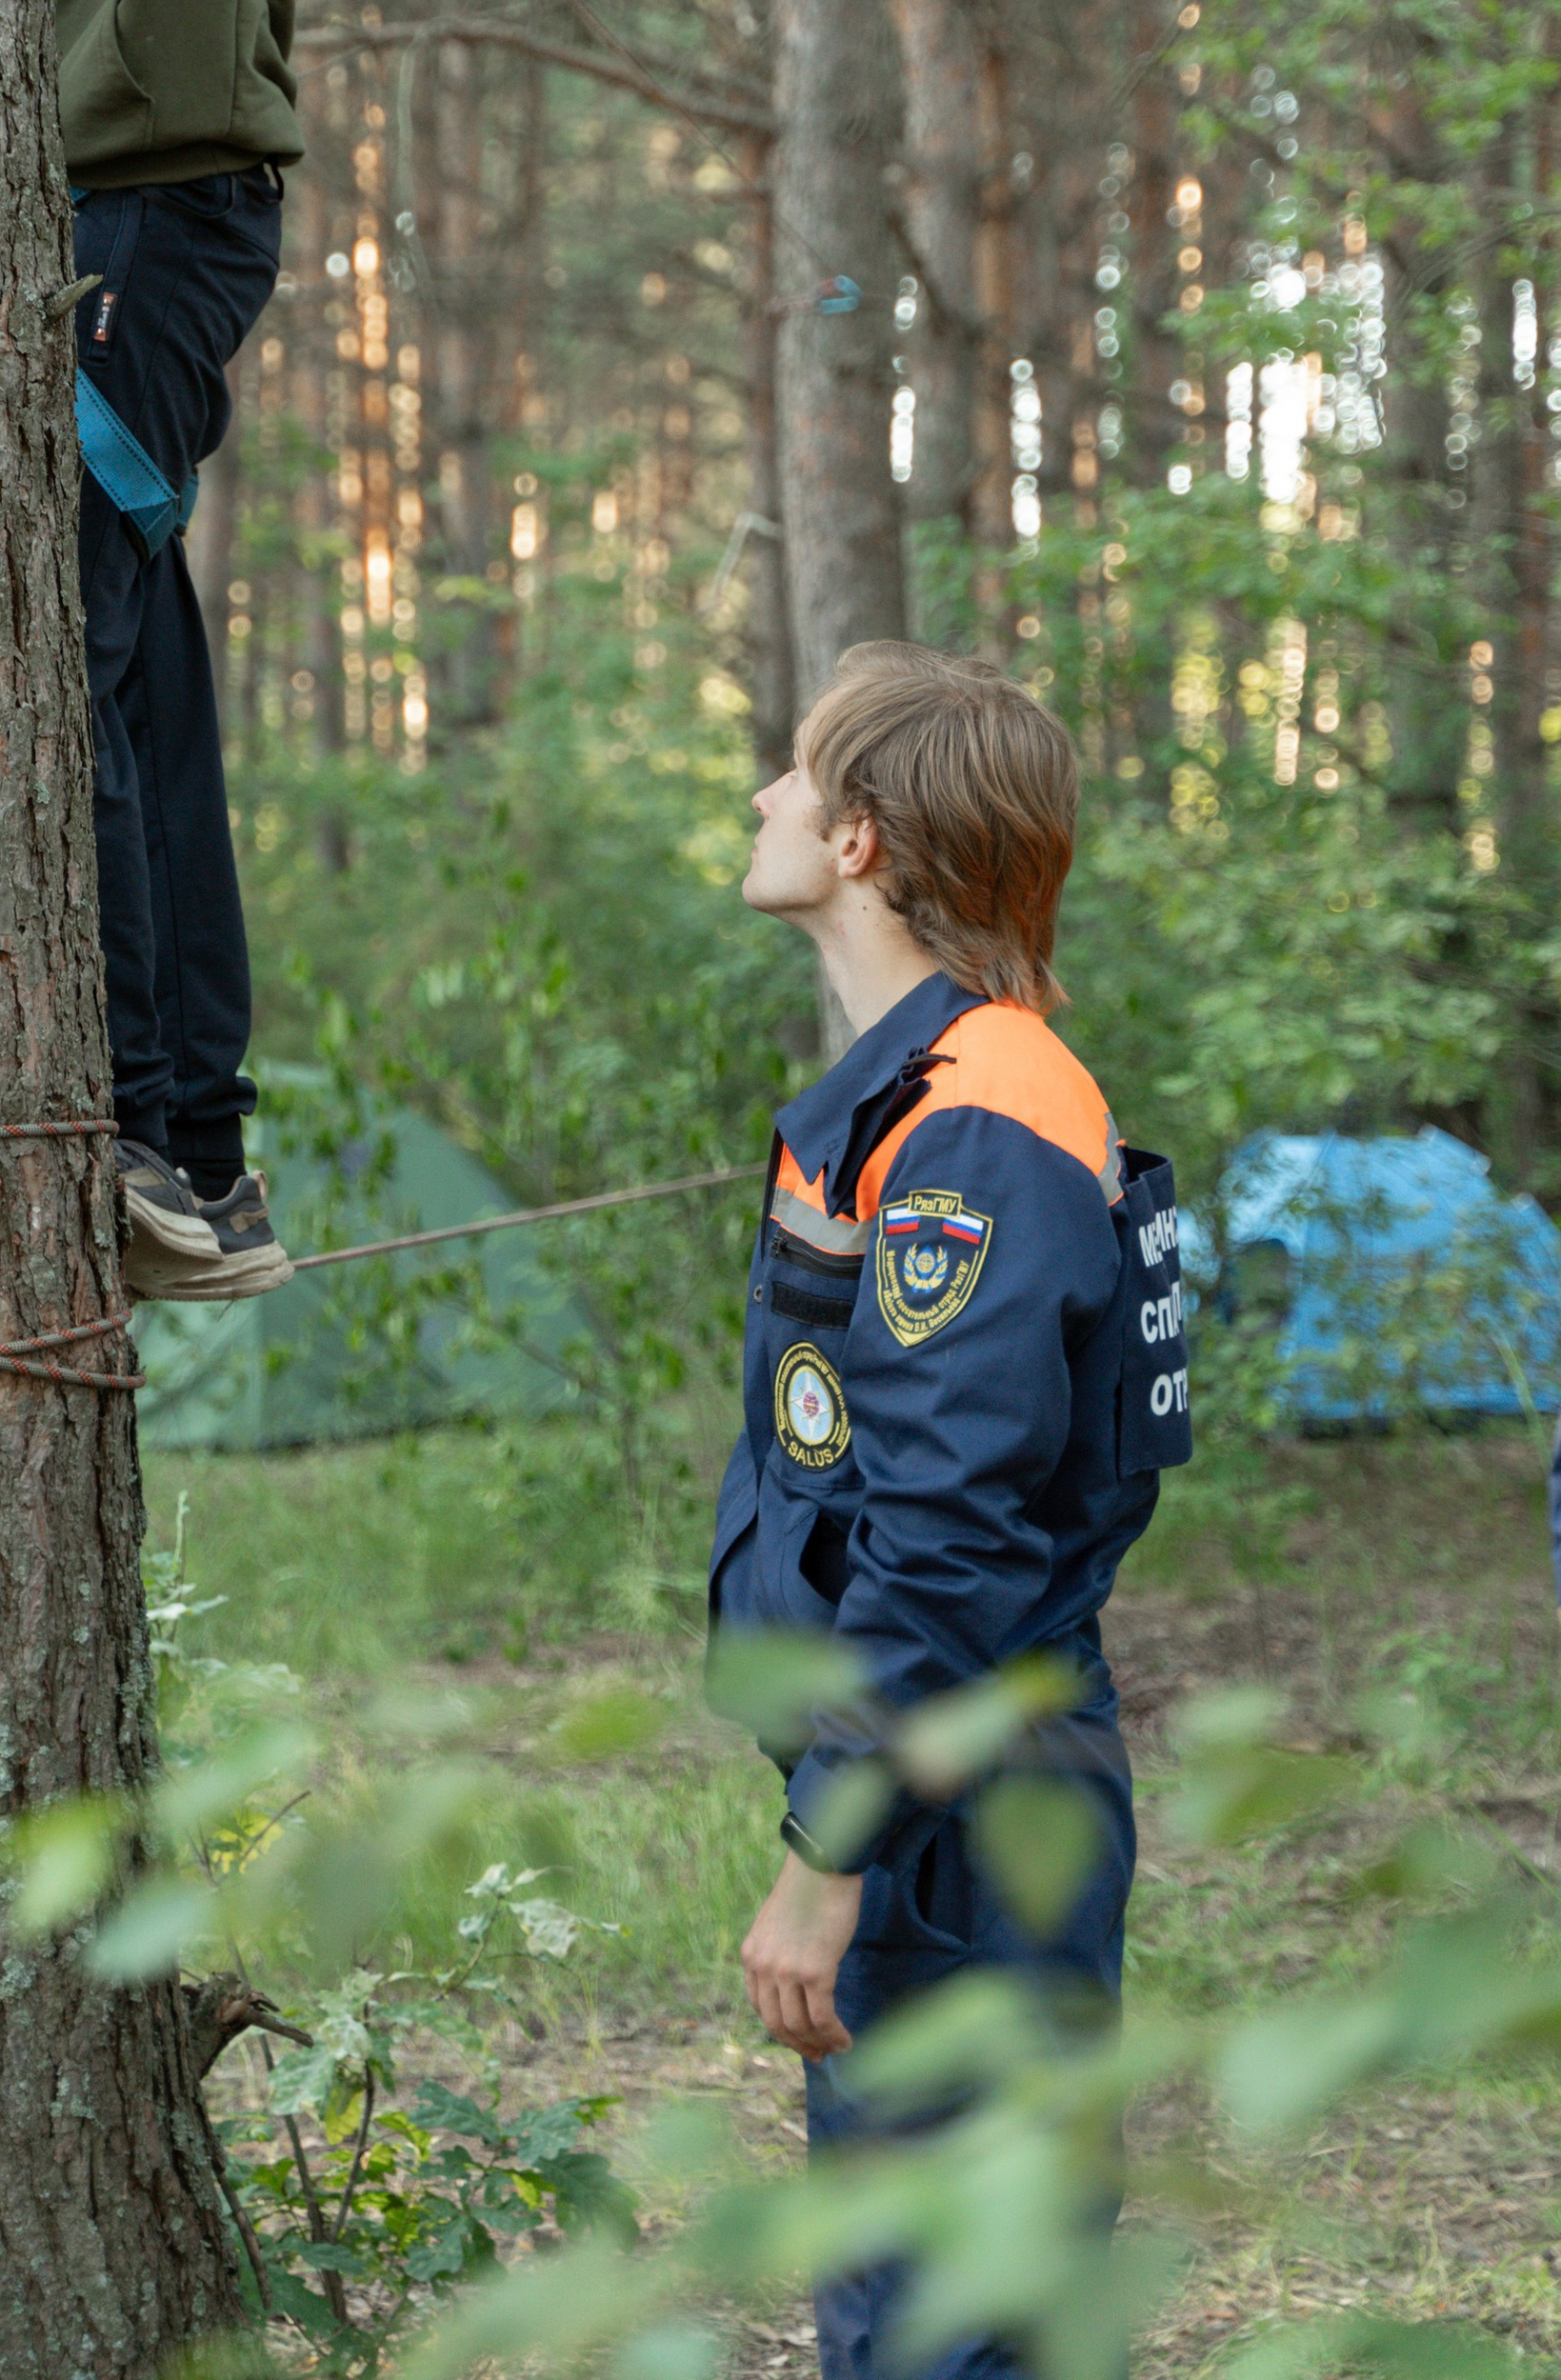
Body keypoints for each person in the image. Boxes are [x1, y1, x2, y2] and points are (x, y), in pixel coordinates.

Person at [31, 0, 477, 1302]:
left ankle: (144, 1128)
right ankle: (200, 1151)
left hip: (160, 217)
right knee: (136, 668)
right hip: (97, 217)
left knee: (86, 652)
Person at [711, 641, 1191, 2380]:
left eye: (793, 769)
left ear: (858, 841)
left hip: (962, 1798)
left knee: (950, 2319)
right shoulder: (930, 1093)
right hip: (938, 1776)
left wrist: (829, 1858)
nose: (763, 793)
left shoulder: (980, 1128)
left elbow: (953, 1537)